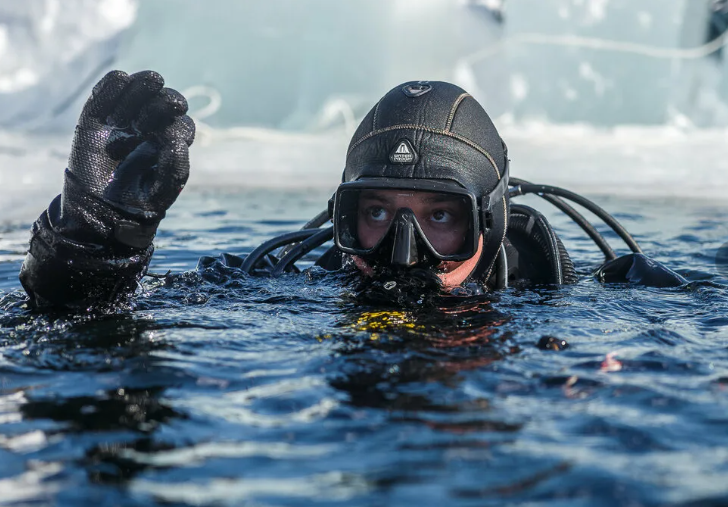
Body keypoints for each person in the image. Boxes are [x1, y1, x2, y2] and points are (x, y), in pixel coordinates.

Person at [18, 71, 686, 310]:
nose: (404, 250)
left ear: (491, 218)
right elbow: (68, 335)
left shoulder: (589, 310)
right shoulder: (284, 286)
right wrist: (95, 250)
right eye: (375, 212)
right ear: (341, 217)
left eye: (440, 218)